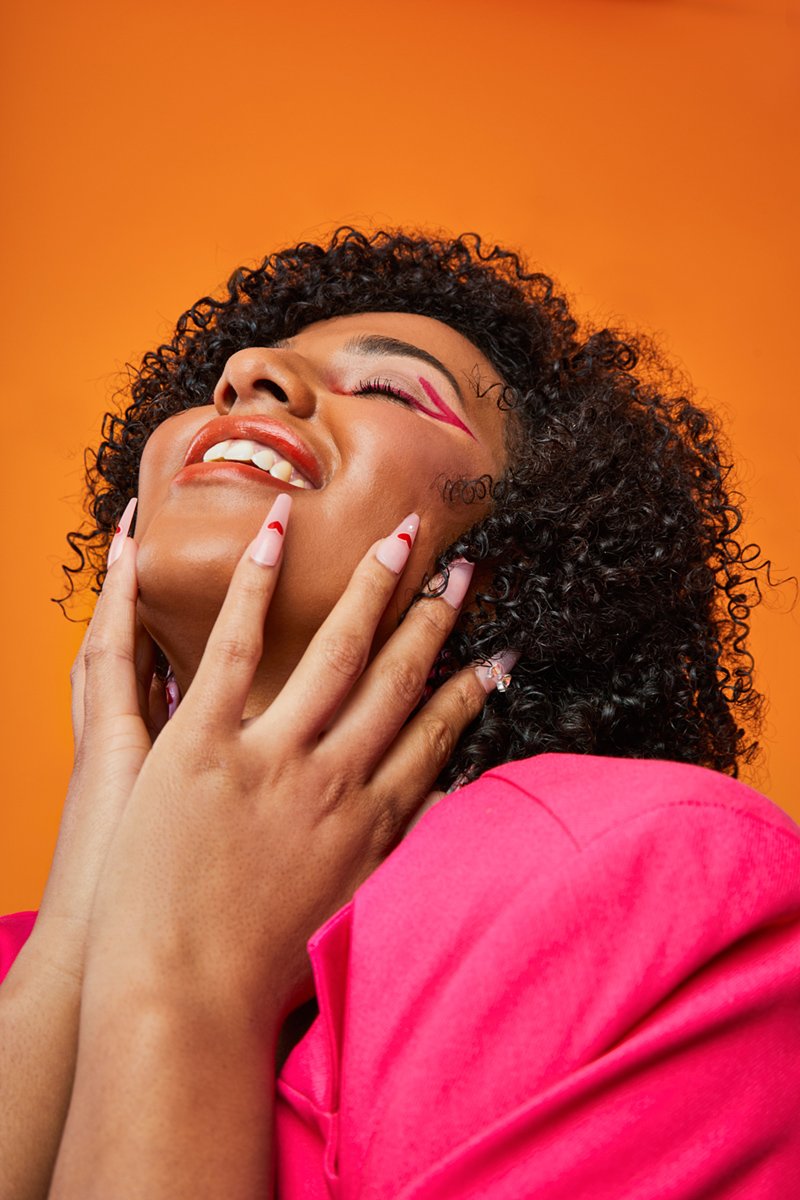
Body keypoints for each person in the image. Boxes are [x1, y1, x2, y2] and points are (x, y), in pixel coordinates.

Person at [0, 228, 798, 1199]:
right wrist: (79, 930)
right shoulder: (13, 961)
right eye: (228, 380)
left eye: (386, 389)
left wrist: (191, 978)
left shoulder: (644, 879)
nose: (248, 376)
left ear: (507, 568)